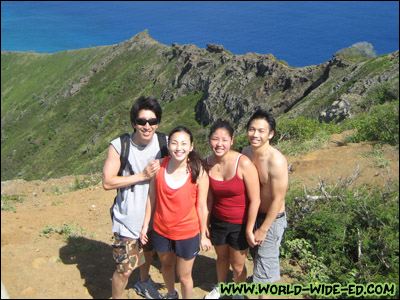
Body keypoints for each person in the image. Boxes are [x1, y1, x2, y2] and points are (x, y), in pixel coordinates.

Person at [102, 96, 165, 299]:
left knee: (147, 254)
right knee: (125, 270)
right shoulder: (120, 146)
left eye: (152, 121)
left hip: (156, 218)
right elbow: (107, 182)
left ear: (158, 123)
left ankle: (144, 283)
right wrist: (142, 176)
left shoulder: (164, 143)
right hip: (126, 219)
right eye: (142, 121)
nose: (147, 126)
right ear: (133, 123)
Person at [140, 126, 211, 299]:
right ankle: (171, 294)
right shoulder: (158, 168)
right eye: (174, 143)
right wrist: (144, 227)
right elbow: (152, 199)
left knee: (185, 276)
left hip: (187, 233)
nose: (179, 147)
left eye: (184, 143)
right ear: (168, 145)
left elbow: (202, 206)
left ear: (191, 146)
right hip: (161, 230)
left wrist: (203, 235)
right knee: (166, 266)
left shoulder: (198, 171)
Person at [205, 119, 260, 299]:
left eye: (224, 139)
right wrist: (205, 224)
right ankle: (221, 287)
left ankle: (238, 292)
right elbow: (209, 198)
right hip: (218, 220)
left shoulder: (243, 163)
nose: (219, 144)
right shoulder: (208, 163)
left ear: (232, 140)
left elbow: (255, 199)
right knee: (221, 258)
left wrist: (249, 228)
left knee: (237, 265)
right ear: (209, 140)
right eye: (215, 139)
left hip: (240, 223)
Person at [242, 109, 288, 299]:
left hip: (272, 219)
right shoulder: (246, 152)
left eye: (261, 131)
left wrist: (264, 229)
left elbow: (278, 199)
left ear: (271, 134)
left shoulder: (276, 161)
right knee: (257, 257)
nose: (255, 134)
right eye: (252, 129)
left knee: (265, 269)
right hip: (254, 215)